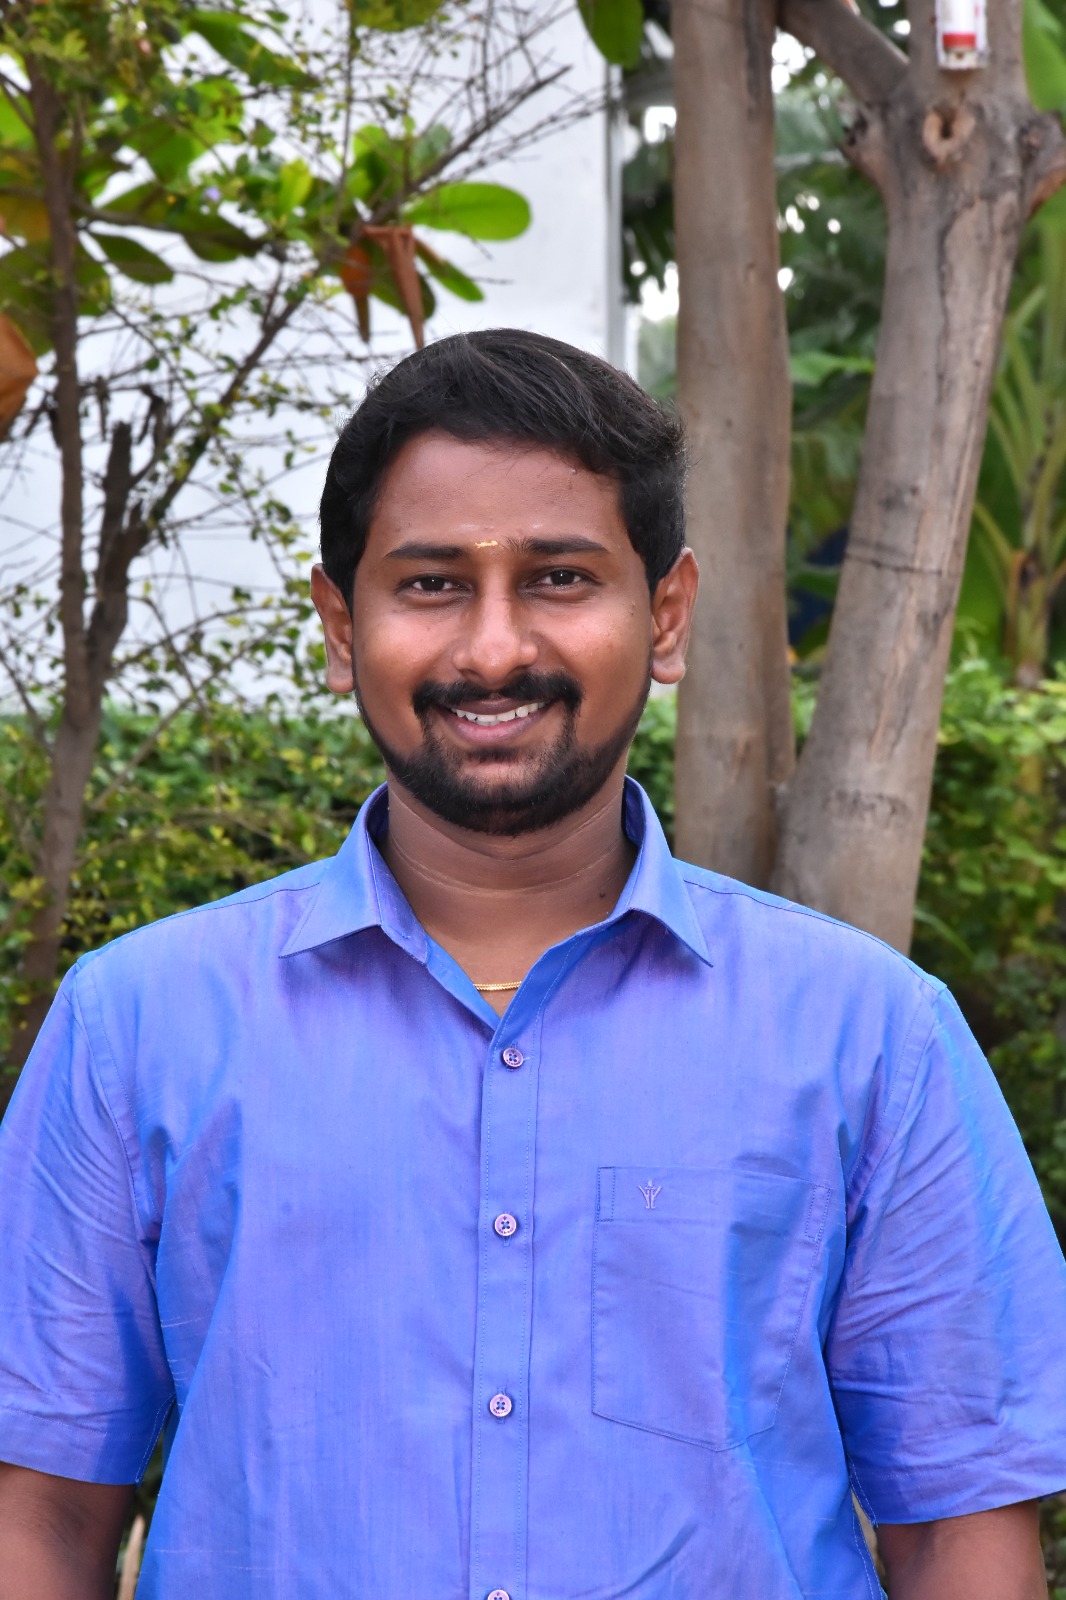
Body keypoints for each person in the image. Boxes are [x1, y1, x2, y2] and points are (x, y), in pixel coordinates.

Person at [0, 330, 1064, 1600]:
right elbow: (41, 1516)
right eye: (431, 583)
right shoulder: (136, 1027)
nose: (494, 648)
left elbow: (960, 1528)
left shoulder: (871, 1035)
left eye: (559, 577)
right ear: (340, 626)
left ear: (664, 615)